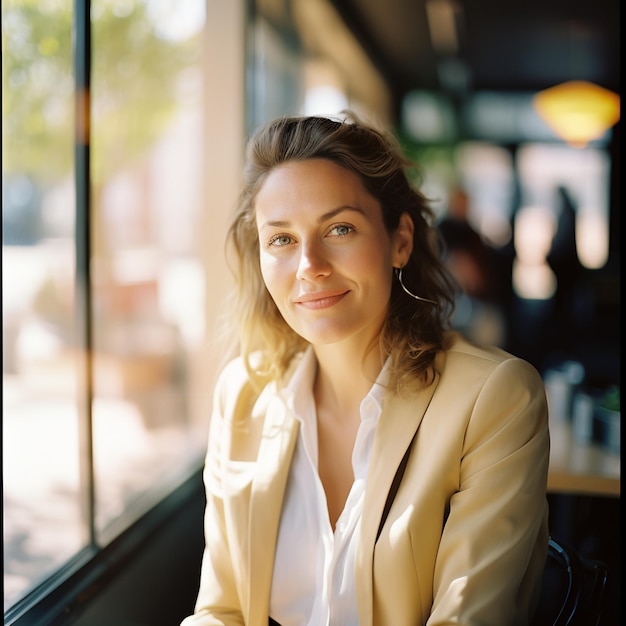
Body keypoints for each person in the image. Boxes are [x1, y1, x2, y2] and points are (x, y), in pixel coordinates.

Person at [181, 112, 550, 626]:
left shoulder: (494, 398)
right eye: (281, 239)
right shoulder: (241, 394)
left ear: (400, 241)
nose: (310, 264)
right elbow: (220, 610)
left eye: (340, 228)